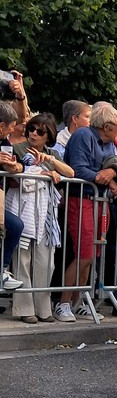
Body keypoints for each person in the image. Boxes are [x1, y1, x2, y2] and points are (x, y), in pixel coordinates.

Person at [56, 103, 117, 322]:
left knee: (92, 254)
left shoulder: (109, 143)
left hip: (98, 200)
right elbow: (78, 169)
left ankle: (78, 300)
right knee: (84, 253)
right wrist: (104, 176)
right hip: (82, 198)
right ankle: (64, 302)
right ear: (106, 126)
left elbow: (116, 165)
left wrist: (112, 173)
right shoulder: (84, 136)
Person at [7, 112, 73, 314]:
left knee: (46, 262)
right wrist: (40, 172)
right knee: (22, 261)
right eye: (31, 129)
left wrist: (49, 162)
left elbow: (70, 173)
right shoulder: (17, 148)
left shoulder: (53, 154)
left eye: (40, 131)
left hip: (46, 215)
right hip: (22, 208)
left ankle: (44, 309)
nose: (34, 134)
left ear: (49, 135)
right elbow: (13, 177)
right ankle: (24, 310)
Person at [0, 102, 26, 291]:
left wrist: (14, 167)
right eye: (10, 128)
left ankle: (2, 270)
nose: (11, 132)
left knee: (15, 225)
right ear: (1, 126)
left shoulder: (4, 143)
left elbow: (21, 165)